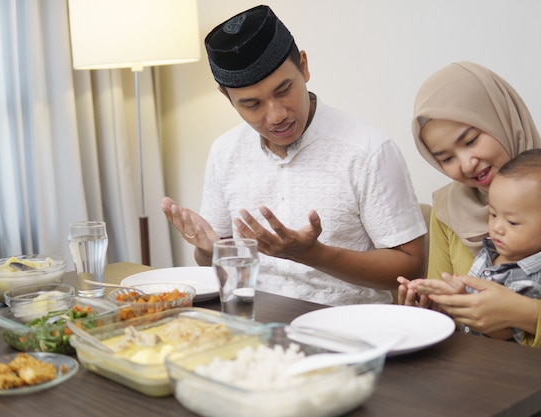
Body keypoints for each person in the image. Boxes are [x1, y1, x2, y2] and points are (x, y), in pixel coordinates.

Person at [397, 61, 541, 416]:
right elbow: (452, 315)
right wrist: (432, 309)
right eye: (445, 158)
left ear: (501, 116)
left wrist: (523, 313)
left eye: (471, 140)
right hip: (485, 369)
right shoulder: (447, 208)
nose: (467, 164)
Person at [161, 5, 427, 306]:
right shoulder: (225, 152)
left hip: (347, 331)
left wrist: (315, 255)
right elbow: (213, 262)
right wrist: (209, 251)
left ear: (303, 66)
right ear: (226, 97)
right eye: (252, 104)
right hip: (252, 324)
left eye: (284, 90)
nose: (276, 116)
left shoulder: (368, 149)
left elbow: (410, 264)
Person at [406, 148, 541, 344]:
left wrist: (462, 301)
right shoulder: (492, 252)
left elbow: (503, 332)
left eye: (512, 222)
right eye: (493, 214)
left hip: (529, 367)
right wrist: (442, 298)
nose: (497, 227)